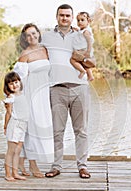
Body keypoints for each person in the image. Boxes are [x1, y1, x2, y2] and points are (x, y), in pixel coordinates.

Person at [41, 4, 91, 179]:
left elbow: (90, 56)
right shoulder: (46, 37)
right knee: (57, 131)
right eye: (61, 15)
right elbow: (36, 54)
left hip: (80, 87)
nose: (64, 18)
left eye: (68, 15)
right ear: (56, 17)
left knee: (81, 130)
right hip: (57, 89)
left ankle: (82, 166)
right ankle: (56, 166)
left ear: (72, 17)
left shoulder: (81, 34)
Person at [13, 23, 54, 178]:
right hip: (31, 95)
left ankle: (21, 163)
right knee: (32, 130)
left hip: (44, 95)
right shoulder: (25, 55)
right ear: (25, 38)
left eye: (34, 33)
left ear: (38, 33)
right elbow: (18, 79)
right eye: (28, 35)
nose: (32, 37)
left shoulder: (45, 50)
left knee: (41, 128)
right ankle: (32, 165)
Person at [3, 71, 29, 182]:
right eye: (11, 83)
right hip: (14, 125)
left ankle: (15, 172)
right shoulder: (11, 97)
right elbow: (8, 113)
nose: (14, 85)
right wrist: (5, 126)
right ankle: (8, 174)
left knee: (18, 151)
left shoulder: (23, 94)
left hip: (23, 125)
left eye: (16, 82)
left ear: (19, 82)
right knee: (11, 151)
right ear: (7, 86)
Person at [70, 11, 96, 81]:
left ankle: (82, 71)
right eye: (78, 20)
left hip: (84, 50)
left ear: (88, 21)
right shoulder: (83, 30)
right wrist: (77, 30)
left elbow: (89, 42)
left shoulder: (86, 32)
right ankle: (90, 76)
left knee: (72, 59)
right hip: (84, 50)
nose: (80, 22)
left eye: (82, 20)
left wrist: (88, 51)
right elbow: (80, 33)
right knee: (84, 63)